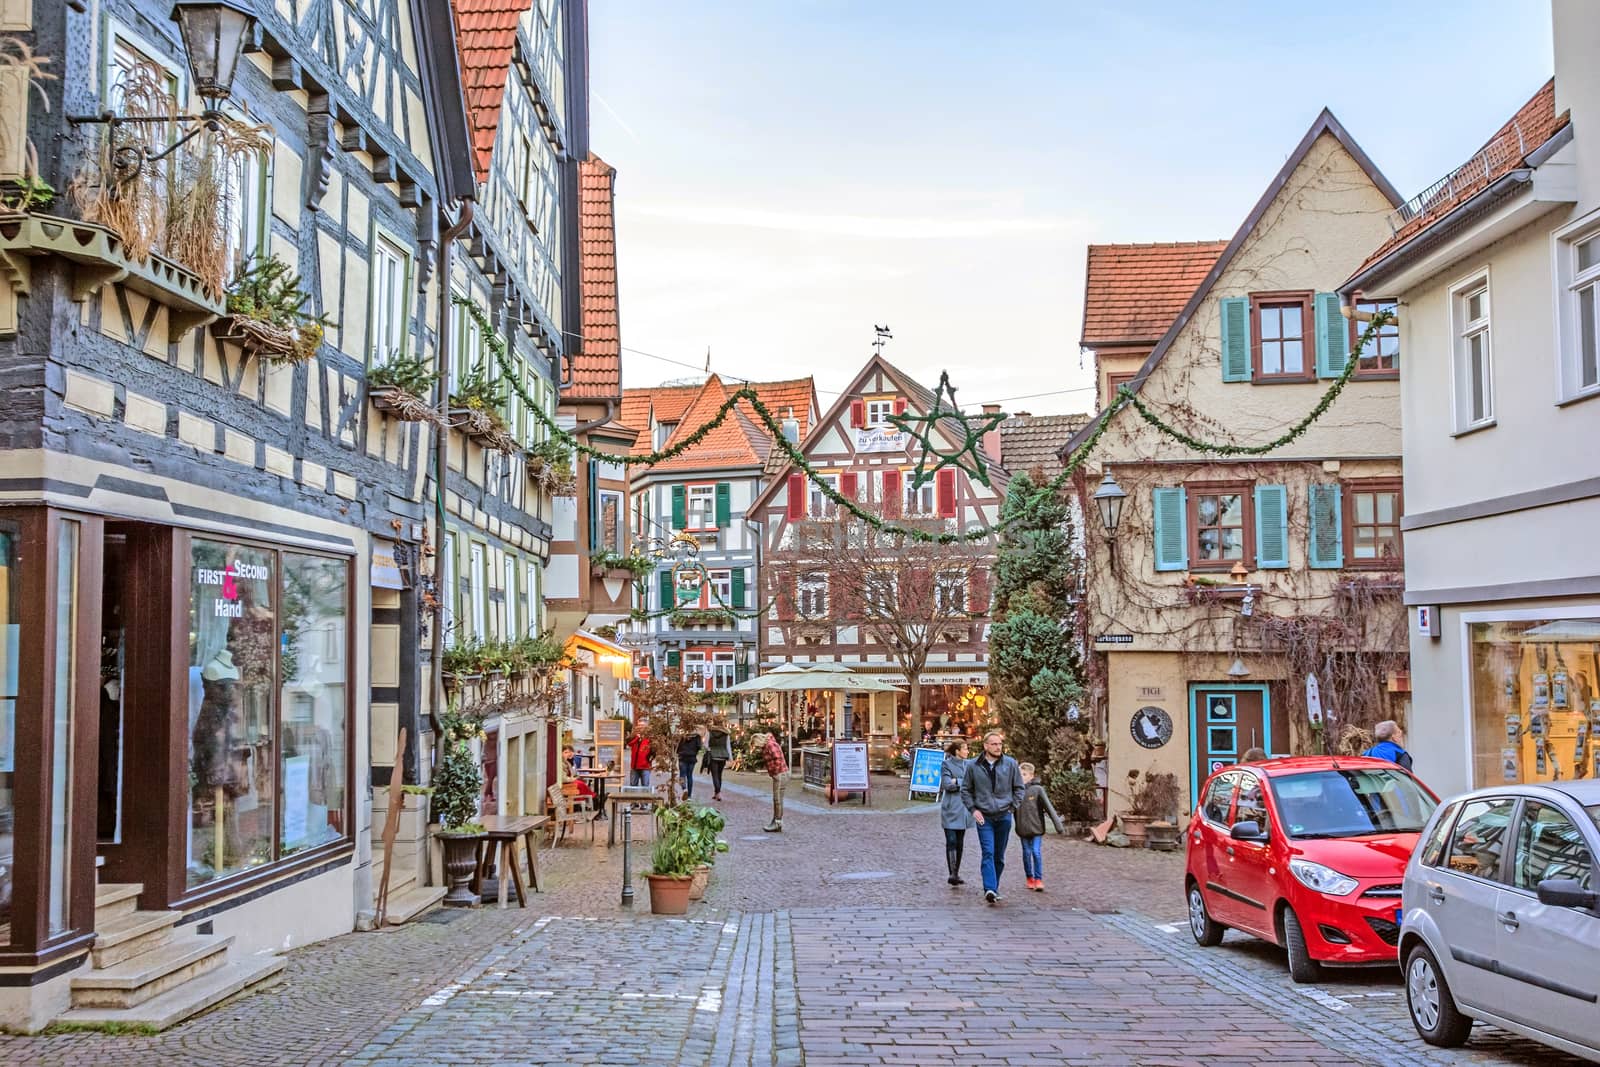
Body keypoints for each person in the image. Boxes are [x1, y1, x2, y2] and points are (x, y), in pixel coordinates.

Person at [960, 731, 1026, 904]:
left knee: (999, 855)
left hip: (1004, 815)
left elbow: (1019, 788)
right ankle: (989, 888)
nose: (998, 747)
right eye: (994, 744)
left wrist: (1012, 807)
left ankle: (994, 887)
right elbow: (965, 790)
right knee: (988, 851)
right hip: (984, 817)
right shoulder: (973, 766)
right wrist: (973, 810)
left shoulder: (1010, 764)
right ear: (985, 746)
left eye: (1000, 744)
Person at [1015, 762, 1065, 892]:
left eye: (1024, 774)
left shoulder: (1038, 790)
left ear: (1031, 775)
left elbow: (1049, 808)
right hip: (1022, 828)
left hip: (1036, 828)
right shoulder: (1016, 791)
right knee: (1026, 853)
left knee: (1036, 852)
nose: (1021, 777)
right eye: (1020, 774)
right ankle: (1029, 877)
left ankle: (1038, 878)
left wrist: (1058, 826)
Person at [939, 739, 975, 886]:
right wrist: (962, 783)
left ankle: (956, 872)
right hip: (951, 808)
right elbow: (947, 784)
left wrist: (957, 781)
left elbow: (975, 783)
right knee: (951, 840)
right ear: (957, 751)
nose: (967, 751)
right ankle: (952, 873)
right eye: (965, 749)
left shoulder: (970, 764)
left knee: (960, 842)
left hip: (965, 809)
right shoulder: (946, 764)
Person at [759, 731, 788, 832]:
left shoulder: (769, 745)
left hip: (780, 774)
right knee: (778, 799)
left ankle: (777, 822)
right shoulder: (769, 744)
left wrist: (775, 773)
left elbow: (778, 758)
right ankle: (776, 821)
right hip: (781, 773)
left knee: (777, 799)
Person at [704, 720, 732, 801]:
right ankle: (716, 793)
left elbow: (705, 745)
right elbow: (728, 746)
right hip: (723, 756)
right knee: (719, 775)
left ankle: (718, 793)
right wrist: (730, 758)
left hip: (713, 756)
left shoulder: (709, 732)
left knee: (715, 775)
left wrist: (710, 749)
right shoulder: (726, 733)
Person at [677, 729, 704, 799]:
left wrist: (679, 752)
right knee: (690, 776)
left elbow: (678, 746)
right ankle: (689, 795)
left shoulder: (683, 735)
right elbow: (699, 747)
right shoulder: (697, 736)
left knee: (682, 775)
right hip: (692, 758)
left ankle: (684, 789)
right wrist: (694, 752)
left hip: (682, 757)